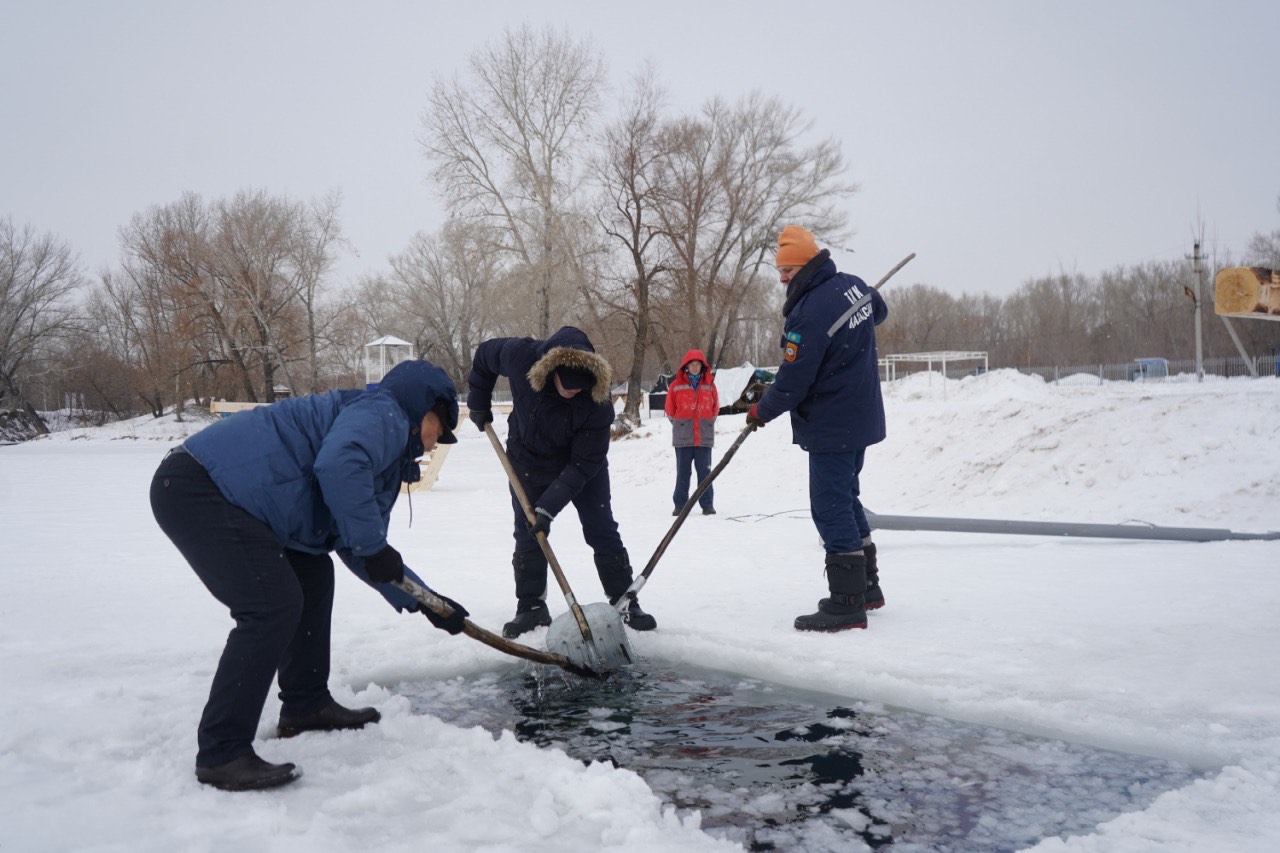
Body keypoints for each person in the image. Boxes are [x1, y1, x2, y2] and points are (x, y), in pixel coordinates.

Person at [150, 359, 471, 791]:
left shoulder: (384, 446)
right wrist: (377, 551)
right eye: (440, 430)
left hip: (233, 500)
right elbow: (339, 467)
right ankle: (221, 751)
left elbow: (360, 546)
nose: (435, 445)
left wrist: (425, 600)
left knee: (313, 574)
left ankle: (305, 705)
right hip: (202, 487)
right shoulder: (385, 412)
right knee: (271, 605)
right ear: (426, 410)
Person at [466, 325, 657, 638]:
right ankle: (530, 607)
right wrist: (478, 399)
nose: (573, 391)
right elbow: (485, 357)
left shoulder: (598, 403)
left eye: (580, 388)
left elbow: (585, 464)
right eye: (567, 386)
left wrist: (549, 507)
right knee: (528, 531)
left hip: (580, 463)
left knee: (601, 527)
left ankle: (624, 601)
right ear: (550, 370)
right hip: (528, 459)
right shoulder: (520, 356)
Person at [747, 225, 889, 631]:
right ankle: (867, 587)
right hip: (859, 417)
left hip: (833, 422)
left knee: (830, 506)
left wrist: (760, 412)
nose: (781, 278)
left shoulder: (809, 313)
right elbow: (879, 312)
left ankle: (846, 604)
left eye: (787, 270)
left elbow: (792, 382)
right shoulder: (852, 285)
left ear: (807, 265)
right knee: (846, 498)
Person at [664, 349, 720, 516]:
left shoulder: (710, 385)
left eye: (698, 365)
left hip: (704, 436)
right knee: (683, 472)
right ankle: (680, 505)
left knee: (705, 473)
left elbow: (715, 409)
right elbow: (670, 410)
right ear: (686, 366)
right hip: (683, 437)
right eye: (692, 364)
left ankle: (707, 505)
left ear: (702, 367)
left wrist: (706, 423)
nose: (695, 367)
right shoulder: (675, 386)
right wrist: (682, 425)